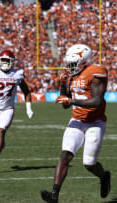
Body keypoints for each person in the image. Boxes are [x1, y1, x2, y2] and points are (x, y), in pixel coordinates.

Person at [41, 44, 110, 203]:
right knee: (65, 155)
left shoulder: (95, 71)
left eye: (73, 63)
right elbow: (65, 105)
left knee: (89, 163)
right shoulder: (71, 75)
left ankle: (104, 176)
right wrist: (62, 85)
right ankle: (54, 195)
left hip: (95, 122)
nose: (69, 67)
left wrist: (71, 100)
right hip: (77, 120)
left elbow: (97, 102)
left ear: (85, 61)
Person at [0, 50, 34, 172]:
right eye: (3, 59)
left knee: (0, 132)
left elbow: (26, 92)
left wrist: (28, 108)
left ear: (12, 62)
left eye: (7, 60)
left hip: (7, 109)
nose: (4, 62)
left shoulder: (17, 74)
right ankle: (0, 143)